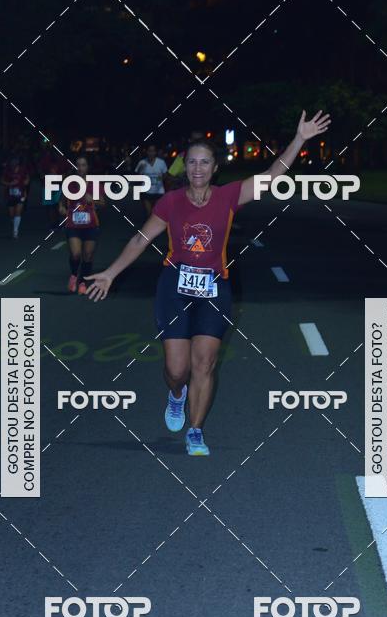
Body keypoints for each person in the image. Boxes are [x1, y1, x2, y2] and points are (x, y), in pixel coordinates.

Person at [85, 110, 330, 455]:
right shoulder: (170, 202)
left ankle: (196, 431)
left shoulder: (229, 196)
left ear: (215, 169)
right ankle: (176, 395)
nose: (198, 168)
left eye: (205, 163)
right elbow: (141, 239)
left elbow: (272, 176)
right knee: (176, 369)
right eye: (192, 163)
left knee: (204, 363)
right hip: (174, 286)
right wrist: (111, 273)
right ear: (185, 167)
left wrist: (300, 139)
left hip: (215, 287)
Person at [59, 155, 104, 294]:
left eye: (83, 165)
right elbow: (61, 202)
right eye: (78, 165)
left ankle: (83, 282)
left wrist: (93, 201)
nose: (80, 168)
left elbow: (103, 203)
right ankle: (74, 275)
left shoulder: (94, 184)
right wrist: (61, 208)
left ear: (87, 167)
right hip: (74, 225)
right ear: (75, 167)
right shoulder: (69, 184)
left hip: (91, 226)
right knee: (76, 254)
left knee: (88, 255)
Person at [135, 144, 168, 218]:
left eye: (153, 151)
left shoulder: (161, 162)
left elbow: (165, 174)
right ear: (146, 152)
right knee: (149, 213)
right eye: (149, 151)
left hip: (158, 191)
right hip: (146, 191)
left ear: (156, 152)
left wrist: (158, 180)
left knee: (156, 213)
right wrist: (141, 170)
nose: (151, 153)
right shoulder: (142, 162)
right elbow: (137, 176)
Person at [1, 157, 30, 238]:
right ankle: (14, 225)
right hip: (10, 195)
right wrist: (9, 183)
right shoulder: (7, 171)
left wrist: (26, 182)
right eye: (12, 163)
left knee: (18, 212)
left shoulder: (22, 170)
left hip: (20, 194)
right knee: (11, 214)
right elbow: (2, 180)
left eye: (15, 163)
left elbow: (27, 178)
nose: (13, 165)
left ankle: (15, 230)